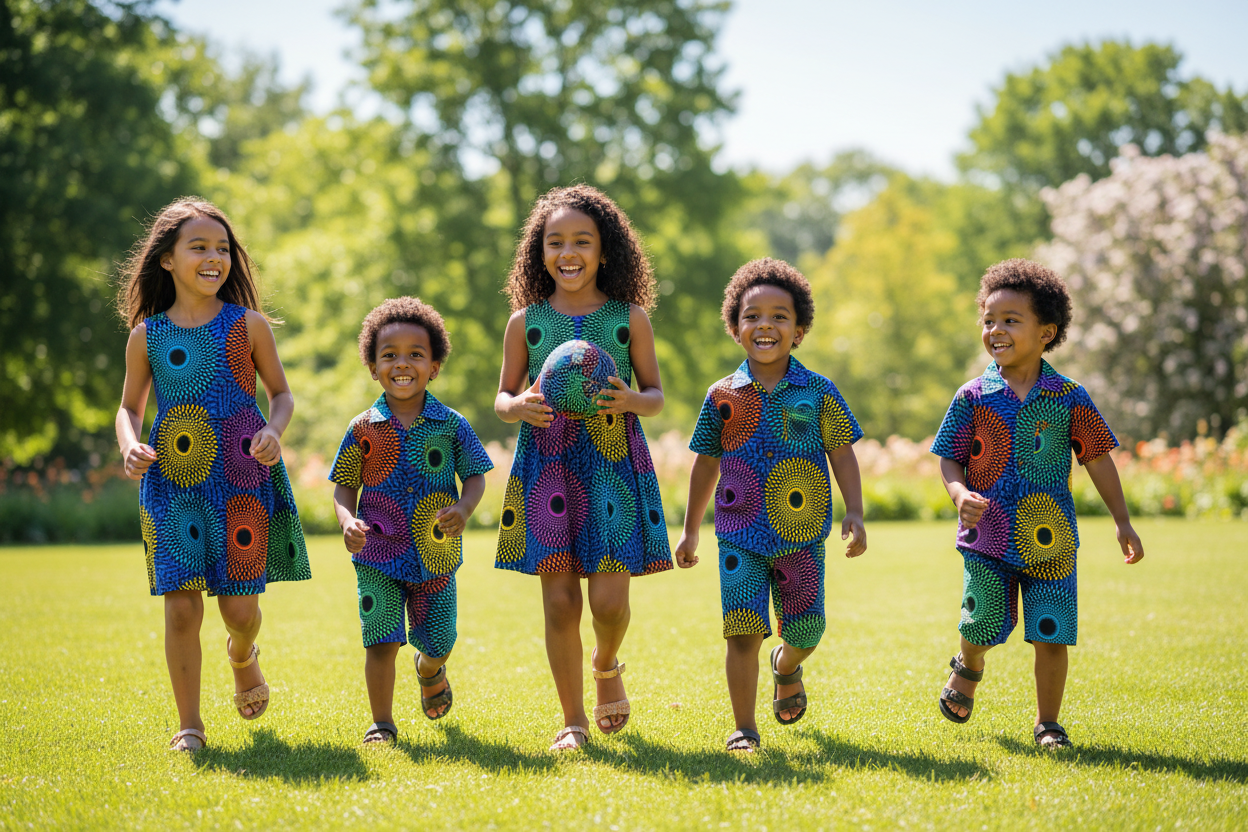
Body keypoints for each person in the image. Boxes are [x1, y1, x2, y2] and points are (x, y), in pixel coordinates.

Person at [115, 197, 311, 753]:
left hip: (241, 476)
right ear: (167, 261)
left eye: (222, 248)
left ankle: (242, 654)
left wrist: (274, 430)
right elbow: (129, 408)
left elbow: (281, 395)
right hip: (172, 481)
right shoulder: (146, 336)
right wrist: (130, 444)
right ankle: (190, 726)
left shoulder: (248, 326)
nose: (213, 257)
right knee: (180, 604)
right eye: (198, 246)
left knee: (240, 610)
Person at [930, 258, 1144, 750]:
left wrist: (1122, 520)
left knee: (1051, 632)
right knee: (980, 620)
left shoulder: (1069, 396)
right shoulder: (972, 396)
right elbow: (949, 459)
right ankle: (970, 663)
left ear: (1046, 332)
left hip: (1051, 539)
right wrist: (960, 494)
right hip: (986, 536)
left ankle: (1048, 722)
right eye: (988, 320)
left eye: (1010, 320)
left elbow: (1098, 458)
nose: (995, 330)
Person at [494, 185, 673, 751]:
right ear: (538, 252)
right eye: (555, 242)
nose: (567, 253)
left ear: (604, 251)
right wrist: (516, 405)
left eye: (581, 241)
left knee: (609, 604)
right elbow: (502, 397)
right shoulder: (526, 321)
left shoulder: (629, 319)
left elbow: (656, 395)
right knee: (561, 601)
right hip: (548, 464)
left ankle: (606, 661)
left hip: (613, 461)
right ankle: (571, 720)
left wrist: (630, 401)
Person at [674, 258, 867, 753]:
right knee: (741, 632)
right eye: (752, 315)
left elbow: (841, 451)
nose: (765, 325)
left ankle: (787, 665)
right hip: (738, 534)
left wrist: (856, 512)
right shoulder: (722, 395)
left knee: (808, 627)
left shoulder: (819, 391)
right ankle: (745, 727)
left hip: (801, 534)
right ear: (735, 328)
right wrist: (692, 529)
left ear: (798, 330)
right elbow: (704, 464)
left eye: (780, 316)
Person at [329, 297, 492, 745]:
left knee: (439, 640)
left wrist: (463, 508)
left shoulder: (452, 425)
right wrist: (346, 520)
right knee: (380, 640)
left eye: (416, 355)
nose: (403, 364)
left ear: (434, 366)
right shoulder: (362, 428)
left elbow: (476, 476)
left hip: (435, 553)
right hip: (376, 552)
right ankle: (382, 723)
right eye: (390, 355)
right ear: (373, 366)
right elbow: (344, 486)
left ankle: (430, 669)